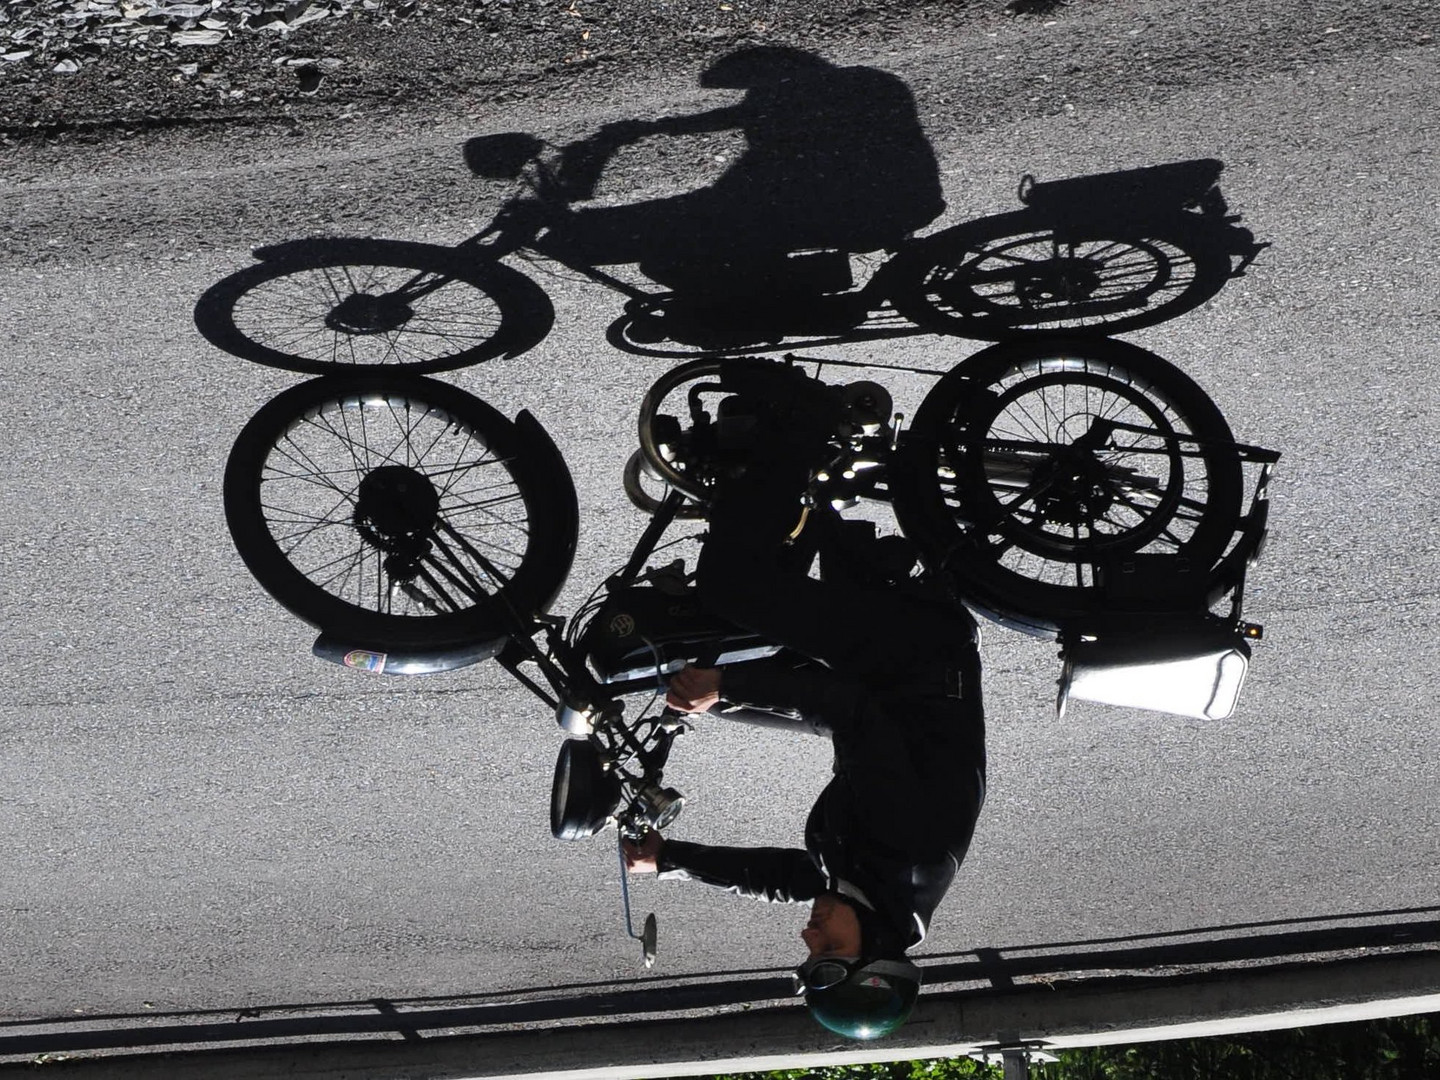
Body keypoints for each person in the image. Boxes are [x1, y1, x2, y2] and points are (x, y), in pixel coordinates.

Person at [622, 366, 986, 1040]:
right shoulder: (907, 856)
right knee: (736, 597)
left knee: (704, 682)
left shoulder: (874, 896)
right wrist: (727, 687)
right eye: (826, 948)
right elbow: (847, 709)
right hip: (913, 651)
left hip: (883, 679)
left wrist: (671, 860)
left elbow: (782, 877)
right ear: (873, 951)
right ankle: (803, 417)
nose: (807, 933)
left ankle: (761, 469)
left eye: (808, 950)